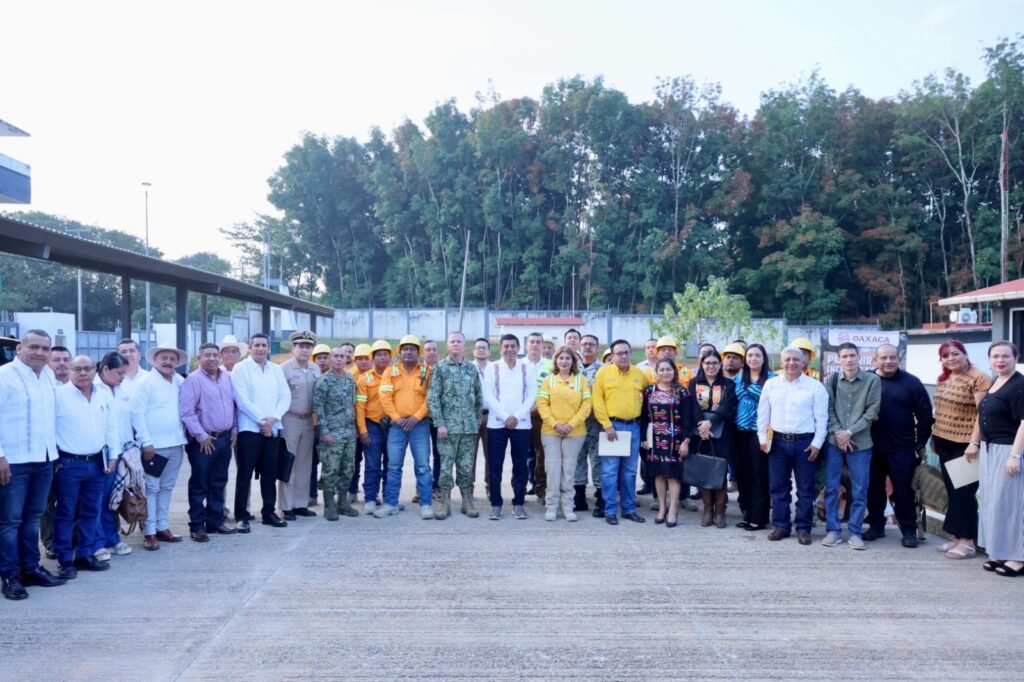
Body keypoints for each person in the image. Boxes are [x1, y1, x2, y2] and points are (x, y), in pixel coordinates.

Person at [0, 330, 65, 600]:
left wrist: (55, 454)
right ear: (19, 349)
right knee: (9, 522)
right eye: (34, 347)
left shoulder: (48, 376)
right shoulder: (4, 376)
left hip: (44, 460)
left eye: (45, 348)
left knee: (33, 519)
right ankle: (10, 575)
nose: (40, 352)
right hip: (13, 462)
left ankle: (30, 568)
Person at [53, 355, 118, 576]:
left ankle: (85, 554)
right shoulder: (58, 395)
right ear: (70, 370)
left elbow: (111, 427)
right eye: (77, 369)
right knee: (66, 512)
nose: (83, 373)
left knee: (91, 511)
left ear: (95, 370)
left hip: (98, 463)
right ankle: (64, 559)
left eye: (87, 368)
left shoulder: (104, 394)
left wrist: (113, 455)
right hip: (68, 465)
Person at [758, 346, 828, 545]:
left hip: (805, 443)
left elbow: (822, 419)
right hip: (777, 442)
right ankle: (781, 526)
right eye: (787, 359)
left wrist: (817, 444)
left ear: (803, 362)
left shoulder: (815, 387)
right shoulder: (771, 385)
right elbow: (763, 414)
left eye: (796, 359)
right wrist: (762, 438)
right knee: (778, 487)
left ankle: (803, 528)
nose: (791, 363)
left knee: (805, 489)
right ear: (781, 363)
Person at [966, 341, 1024, 577]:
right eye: (995, 356)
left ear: (1015, 358)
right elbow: (982, 416)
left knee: (1013, 505)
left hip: (1009, 450)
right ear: (989, 360)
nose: (1000, 360)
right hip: (990, 450)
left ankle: (1018, 557)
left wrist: (1015, 456)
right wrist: (974, 443)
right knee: (993, 503)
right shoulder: (995, 382)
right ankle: (1000, 550)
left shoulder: (1019, 385)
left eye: (1005, 356)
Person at [867, 344, 933, 547]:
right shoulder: (867, 380)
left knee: (904, 490)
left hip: (902, 447)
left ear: (899, 359)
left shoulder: (911, 382)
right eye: (883, 358)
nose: (888, 361)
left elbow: (925, 414)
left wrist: (921, 442)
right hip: (871, 446)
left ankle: (908, 530)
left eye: (892, 357)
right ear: (875, 360)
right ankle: (876, 526)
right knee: (873, 489)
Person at [931, 339, 991, 559]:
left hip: (965, 444)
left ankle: (968, 542)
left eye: (955, 353)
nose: (951, 359)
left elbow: (982, 414)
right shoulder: (944, 378)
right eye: (945, 356)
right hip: (943, 440)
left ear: (965, 354)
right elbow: (940, 410)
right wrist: (934, 438)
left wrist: (974, 443)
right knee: (952, 491)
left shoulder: (978, 377)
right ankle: (958, 537)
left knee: (963, 493)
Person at [821, 342, 881, 550]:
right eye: (844, 356)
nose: (848, 360)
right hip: (834, 442)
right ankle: (833, 530)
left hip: (860, 443)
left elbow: (872, 411)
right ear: (838, 359)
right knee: (831, 487)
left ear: (859, 357)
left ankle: (855, 532)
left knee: (860, 489)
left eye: (852, 355)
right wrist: (839, 432)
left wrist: (849, 432)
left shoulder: (872, 380)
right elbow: (828, 409)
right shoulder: (832, 380)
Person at [231, 333, 291, 531]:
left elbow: (285, 396)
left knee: (270, 473)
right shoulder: (241, 368)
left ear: (268, 348)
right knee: (244, 474)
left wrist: (273, 419)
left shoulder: (276, 370)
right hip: (249, 429)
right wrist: (262, 421)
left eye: (264, 345)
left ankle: (268, 512)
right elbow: (242, 399)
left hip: (272, 429)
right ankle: (241, 516)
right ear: (250, 348)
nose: (260, 348)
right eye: (256, 345)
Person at [132, 345, 189, 551]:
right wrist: (146, 442)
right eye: (164, 358)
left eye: (172, 359)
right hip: (154, 447)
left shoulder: (180, 381)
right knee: (151, 488)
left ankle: (162, 527)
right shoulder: (145, 382)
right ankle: (149, 531)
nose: (168, 362)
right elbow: (137, 413)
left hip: (176, 443)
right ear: (155, 360)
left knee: (167, 487)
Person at [179, 343, 237, 542]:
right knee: (199, 484)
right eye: (207, 355)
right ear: (199, 358)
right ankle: (197, 525)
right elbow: (186, 412)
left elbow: (233, 406)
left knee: (219, 482)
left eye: (215, 355)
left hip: (224, 439)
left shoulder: (227, 378)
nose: (212, 358)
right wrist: (201, 435)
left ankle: (215, 521)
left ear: (219, 357)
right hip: (203, 441)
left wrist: (234, 429)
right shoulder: (193, 380)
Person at [375, 335, 434, 519]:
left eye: (412, 349)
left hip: (420, 426)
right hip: (397, 426)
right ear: (400, 352)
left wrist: (417, 417)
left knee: (423, 467)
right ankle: (391, 504)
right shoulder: (390, 371)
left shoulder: (427, 371)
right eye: (405, 349)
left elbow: (431, 397)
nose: (408, 352)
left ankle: (426, 504)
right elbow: (385, 397)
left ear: (419, 352)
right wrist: (396, 418)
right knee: (393, 466)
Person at [427, 331, 484, 520]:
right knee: (445, 467)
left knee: (466, 467)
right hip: (447, 429)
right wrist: (440, 423)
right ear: (447, 345)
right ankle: (445, 503)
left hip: (468, 428)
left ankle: (467, 502)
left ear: (464, 345)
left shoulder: (471, 369)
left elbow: (478, 397)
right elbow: (433, 398)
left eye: (459, 341)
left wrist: (476, 422)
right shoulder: (440, 368)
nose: (456, 344)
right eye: (452, 341)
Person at [592, 339, 649, 525]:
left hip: (634, 427)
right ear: (612, 355)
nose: (624, 356)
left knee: (630, 472)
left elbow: (647, 398)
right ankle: (609, 510)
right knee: (610, 471)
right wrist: (606, 425)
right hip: (612, 428)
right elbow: (597, 401)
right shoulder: (603, 373)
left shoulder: (639, 374)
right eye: (619, 353)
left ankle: (628, 509)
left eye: (626, 353)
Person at [482, 334, 537, 520]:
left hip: (521, 424)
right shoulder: (492, 367)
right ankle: (496, 504)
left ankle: (518, 503)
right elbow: (489, 396)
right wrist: (506, 417)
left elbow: (531, 396)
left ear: (519, 348)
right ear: (500, 348)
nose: (509, 349)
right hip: (497, 423)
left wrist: (516, 416)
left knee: (520, 465)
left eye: (513, 346)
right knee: (495, 465)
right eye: (506, 346)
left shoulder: (527, 368)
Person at [536, 346, 592, 522]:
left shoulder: (581, 380)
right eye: (561, 358)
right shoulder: (549, 380)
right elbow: (542, 404)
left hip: (575, 432)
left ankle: (568, 506)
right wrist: (555, 424)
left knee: (569, 469)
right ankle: (552, 506)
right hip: (551, 432)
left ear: (573, 361)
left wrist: (570, 424)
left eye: (568, 358)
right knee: (552, 469)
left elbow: (586, 406)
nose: (564, 361)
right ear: (556, 361)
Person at [641, 359, 696, 528]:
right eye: (662, 370)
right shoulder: (649, 391)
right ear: (656, 372)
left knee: (673, 475)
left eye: (668, 369)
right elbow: (644, 417)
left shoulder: (682, 392)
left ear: (674, 371)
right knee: (658, 474)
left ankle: (673, 509)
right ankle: (662, 508)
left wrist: (686, 441)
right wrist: (643, 438)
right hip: (654, 439)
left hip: (675, 440)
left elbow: (688, 418)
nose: (665, 373)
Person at [688, 349, 737, 528]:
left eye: (715, 363)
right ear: (702, 364)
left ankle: (720, 511)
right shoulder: (694, 383)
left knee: (720, 471)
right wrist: (702, 426)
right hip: (700, 433)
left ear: (720, 364)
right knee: (705, 470)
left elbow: (727, 405)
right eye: (707, 363)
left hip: (722, 432)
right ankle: (708, 510)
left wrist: (711, 422)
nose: (711, 366)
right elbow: (693, 406)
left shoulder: (728, 384)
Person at [94, 352, 134, 559]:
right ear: (105, 369)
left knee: (112, 499)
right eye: (119, 373)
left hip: (119, 452)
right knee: (98, 500)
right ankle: (99, 542)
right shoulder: (92, 388)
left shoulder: (123, 389)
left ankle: (111, 538)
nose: (123, 377)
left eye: (125, 373)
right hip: (99, 454)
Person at [313, 346, 360, 521]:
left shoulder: (350, 378)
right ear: (330, 359)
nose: (339, 359)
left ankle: (342, 502)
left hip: (349, 433)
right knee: (330, 470)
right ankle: (329, 505)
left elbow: (353, 404)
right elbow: (318, 407)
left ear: (347, 359)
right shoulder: (324, 381)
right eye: (336, 356)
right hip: (332, 433)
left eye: (342, 356)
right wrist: (324, 432)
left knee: (348, 469)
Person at [278, 330, 320, 521]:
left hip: (308, 421)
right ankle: (286, 506)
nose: (304, 350)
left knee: (304, 464)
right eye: (301, 346)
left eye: (308, 346)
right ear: (293, 347)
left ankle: (300, 504)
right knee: (288, 463)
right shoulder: (284, 369)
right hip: (290, 419)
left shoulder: (315, 368)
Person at [733, 343, 774, 531]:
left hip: (761, 433)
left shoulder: (772, 380)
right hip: (740, 431)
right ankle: (747, 514)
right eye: (750, 355)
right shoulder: (738, 378)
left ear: (763, 358)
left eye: (757, 355)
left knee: (759, 475)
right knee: (743, 474)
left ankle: (759, 518)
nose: (753, 359)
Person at [39, 345, 72, 560]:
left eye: (65, 360)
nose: (61, 364)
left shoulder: (82, 386)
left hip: (74, 455)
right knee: (47, 503)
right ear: (48, 363)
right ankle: (50, 542)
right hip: (48, 454)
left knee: (72, 502)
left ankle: (71, 540)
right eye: (56, 360)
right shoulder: (45, 386)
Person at [356, 340, 393, 515]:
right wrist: (363, 431)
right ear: (373, 358)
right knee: (372, 464)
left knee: (391, 464)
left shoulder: (396, 375)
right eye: (378, 354)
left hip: (393, 426)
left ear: (390, 357)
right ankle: (370, 498)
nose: (382, 357)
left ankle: (389, 498)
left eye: (385, 354)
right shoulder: (365, 379)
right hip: (373, 426)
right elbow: (360, 407)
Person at [575, 334, 604, 514]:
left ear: (597, 347)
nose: (587, 347)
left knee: (598, 460)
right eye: (584, 344)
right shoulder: (572, 367)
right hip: (576, 421)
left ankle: (601, 497)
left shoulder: (604, 369)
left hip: (596, 421)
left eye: (591, 344)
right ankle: (579, 496)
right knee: (578, 459)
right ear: (579, 346)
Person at [523, 332, 551, 501]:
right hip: (522, 415)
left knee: (542, 454)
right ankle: (523, 485)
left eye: (538, 342)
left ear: (542, 345)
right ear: (526, 345)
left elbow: (554, 389)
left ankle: (541, 489)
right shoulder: (519, 364)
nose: (534, 345)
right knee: (522, 453)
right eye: (531, 342)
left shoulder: (550, 365)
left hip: (542, 416)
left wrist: (540, 407)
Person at [345, 343, 374, 506]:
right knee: (353, 460)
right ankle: (352, 490)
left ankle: (372, 492)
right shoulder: (349, 376)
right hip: (351, 424)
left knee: (372, 461)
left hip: (371, 423)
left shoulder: (378, 376)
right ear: (354, 360)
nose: (363, 361)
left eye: (366, 358)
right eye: (359, 358)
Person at [472, 337, 491, 496]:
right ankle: (468, 487)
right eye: (478, 347)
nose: (481, 350)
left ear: (489, 351)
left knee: (491, 454)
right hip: (472, 416)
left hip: (490, 415)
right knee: (469, 454)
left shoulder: (495, 368)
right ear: (473, 351)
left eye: (484, 347)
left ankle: (490, 486)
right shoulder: (467, 368)